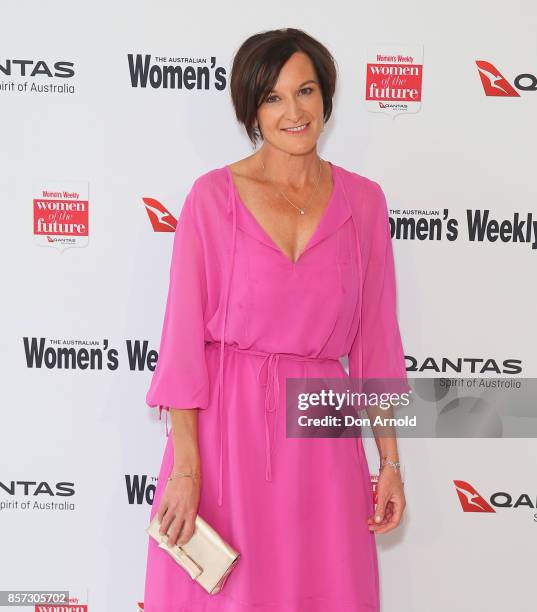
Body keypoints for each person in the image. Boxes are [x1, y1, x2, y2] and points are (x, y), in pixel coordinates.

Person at [143, 27, 409, 612]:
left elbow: (376, 346)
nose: (295, 111)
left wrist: (389, 461)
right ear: (252, 109)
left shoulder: (364, 202)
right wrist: (187, 469)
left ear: (326, 98)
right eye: (274, 97)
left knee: (328, 588)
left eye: (306, 91)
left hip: (321, 435)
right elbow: (182, 345)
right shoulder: (212, 198)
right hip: (225, 432)